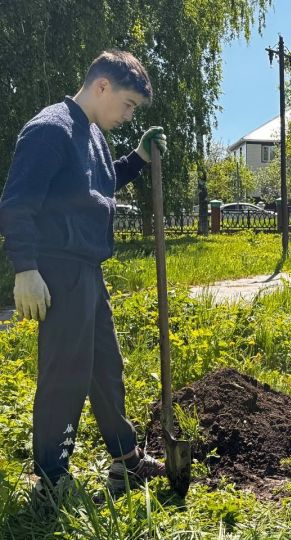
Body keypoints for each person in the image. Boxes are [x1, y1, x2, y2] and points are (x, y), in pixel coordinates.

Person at [0, 50, 168, 499]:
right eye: (129, 104)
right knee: (66, 374)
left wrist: (137, 157)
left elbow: (98, 188)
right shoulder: (50, 129)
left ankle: (126, 460)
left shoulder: (91, 134)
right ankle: (50, 479)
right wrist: (26, 269)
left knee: (105, 368)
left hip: (88, 271)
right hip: (58, 268)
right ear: (102, 87)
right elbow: (17, 203)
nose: (129, 115)